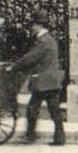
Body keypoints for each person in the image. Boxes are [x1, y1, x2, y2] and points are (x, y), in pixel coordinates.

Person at [12, 13, 66, 145]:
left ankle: (30, 136)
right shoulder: (49, 39)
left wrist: (14, 66)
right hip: (51, 80)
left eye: (33, 25)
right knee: (54, 111)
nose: (31, 28)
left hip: (44, 81)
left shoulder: (43, 41)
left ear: (38, 25)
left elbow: (31, 57)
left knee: (32, 109)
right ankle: (59, 138)